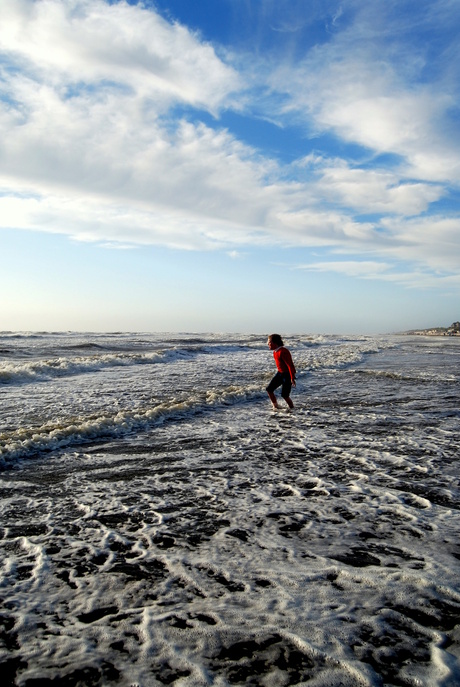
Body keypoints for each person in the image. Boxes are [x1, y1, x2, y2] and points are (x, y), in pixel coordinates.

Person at [266, 334, 296, 409]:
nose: (267, 344)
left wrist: (292, 378)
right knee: (269, 389)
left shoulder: (283, 351)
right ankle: (275, 406)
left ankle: (293, 409)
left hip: (287, 375)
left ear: (274, 343)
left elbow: (290, 365)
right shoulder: (275, 352)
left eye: (269, 342)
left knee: (285, 395)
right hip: (280, 374)